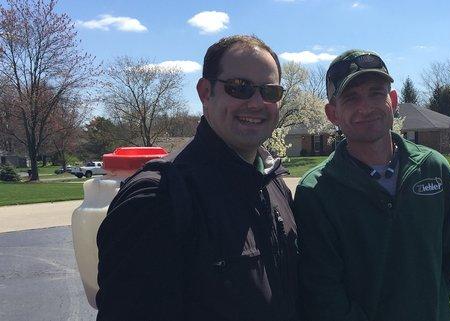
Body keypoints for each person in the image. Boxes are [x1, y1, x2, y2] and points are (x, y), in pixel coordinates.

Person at [96, 35, 298, 321]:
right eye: (239, 88)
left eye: (270, 91)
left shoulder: (274, 183)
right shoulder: (159, 197)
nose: (256, 102)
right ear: (205, 92)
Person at [294, 49, 450, 321]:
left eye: (376, 92)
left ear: (393, 100)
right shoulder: (316, 190)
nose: (366, 107)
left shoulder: (434, 169)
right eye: (351, 97)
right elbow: (323, 291)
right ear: (332, 113)